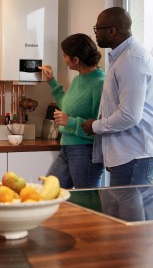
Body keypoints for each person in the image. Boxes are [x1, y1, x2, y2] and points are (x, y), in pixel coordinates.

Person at [82, 7, 153, 186]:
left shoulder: (131, 60)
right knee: (118, 213)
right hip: (128, 154)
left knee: (128, 215)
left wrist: (96, 126)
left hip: (138, 153)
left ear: (112, 30)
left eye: (97, 29)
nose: (95, 34)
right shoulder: (121, 58)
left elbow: (129, 115)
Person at [39, 33, 105, 189]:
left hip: (85, 152)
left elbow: (99, 125)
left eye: (65, 56)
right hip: (67, 148)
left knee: (87, 202)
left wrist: (70, 121)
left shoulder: (99, 83)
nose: (63, 59)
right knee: (49, 192)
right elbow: (66, 106)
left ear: (76, 60)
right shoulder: (78, 79)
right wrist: (51, 82)